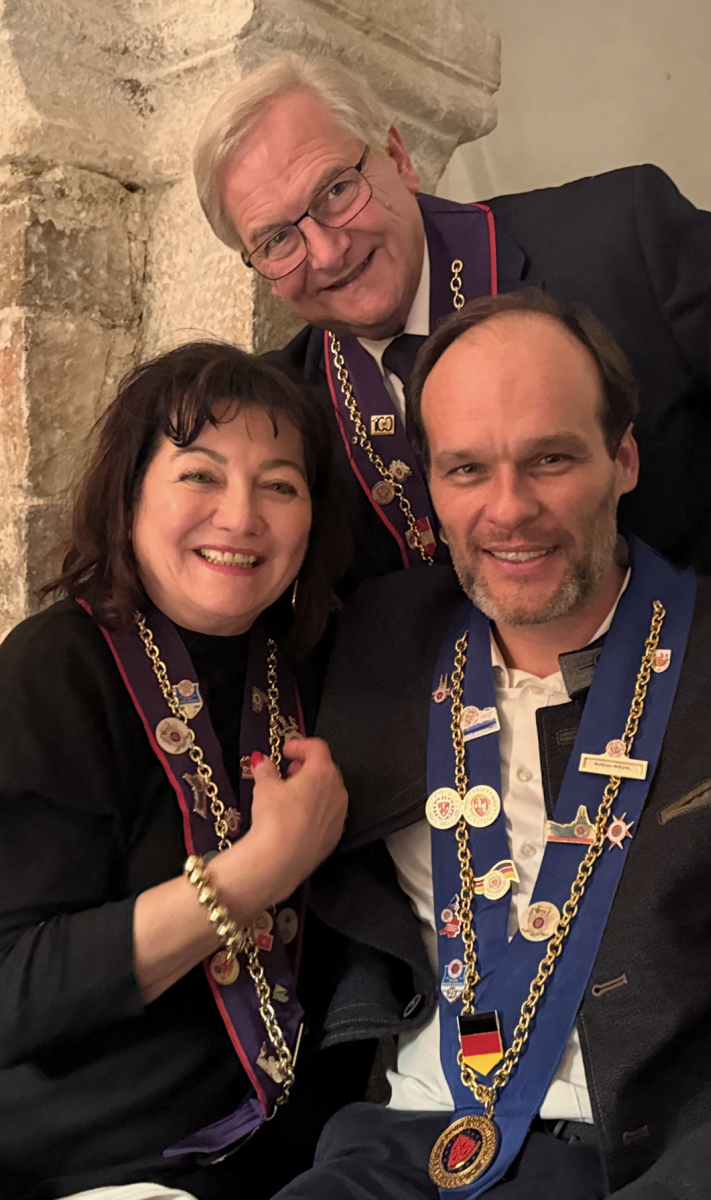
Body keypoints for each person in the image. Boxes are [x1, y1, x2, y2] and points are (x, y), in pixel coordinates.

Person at [268, 289, 711, 1198]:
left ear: (623, 459)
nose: (508, 510)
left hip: (652, 1163)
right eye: (466, 469)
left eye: (550, 459)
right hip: (397, 1149)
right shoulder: (372, 641)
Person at [192, 51, 711, 691]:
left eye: (336, 191)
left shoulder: (621, 238)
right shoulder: (286, 411)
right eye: (276, 240)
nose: (325, 251)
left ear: (399, 158)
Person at [0, 342, 369, 1200]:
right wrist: (257, 874)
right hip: (92, 1164)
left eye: (280, 485)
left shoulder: (324, 664)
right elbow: (11, 992)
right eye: (200, 475)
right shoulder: (56, 670)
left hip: (295, 1155)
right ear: (129, 494)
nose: (240, 516)